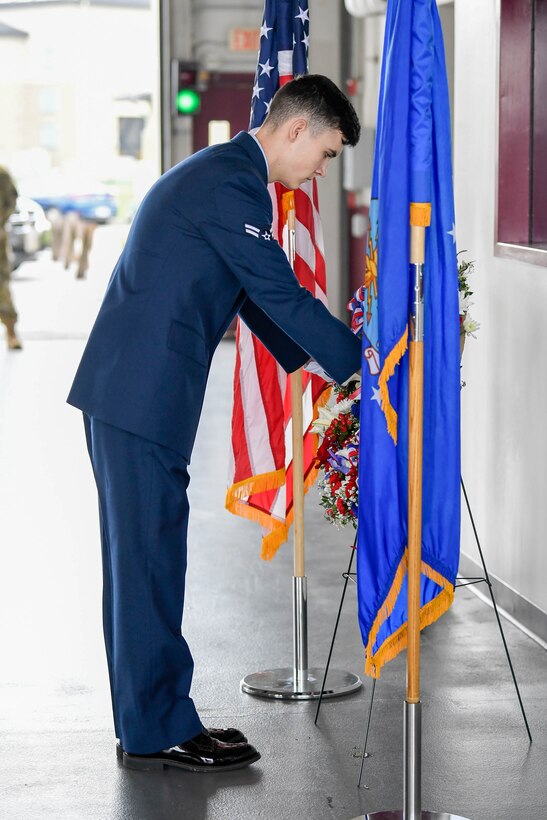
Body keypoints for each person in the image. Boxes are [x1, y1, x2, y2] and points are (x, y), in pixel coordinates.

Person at [67, 75, 362, 773]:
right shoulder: (229, 184)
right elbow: (277, 292)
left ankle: (152, 717)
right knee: (147, 563)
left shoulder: (225, 178)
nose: (321, 169)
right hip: (138, 397)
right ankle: (157, 727)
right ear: (296, 130)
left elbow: (257, 303)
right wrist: (370, 367)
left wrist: (334, 366)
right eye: (325, 153)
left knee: (146, 561)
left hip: (135, 394)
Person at [0, 165, 22, 351]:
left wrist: (1, 223)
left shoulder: (2, 174)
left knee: (2, 286)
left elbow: (11, 201)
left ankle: (11, 333)